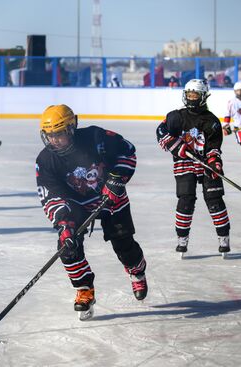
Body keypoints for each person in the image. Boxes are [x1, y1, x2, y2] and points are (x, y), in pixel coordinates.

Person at [35, 104, 148, 319]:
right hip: (77, 207)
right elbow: (52, 195)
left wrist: (117, 178)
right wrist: (64, 223)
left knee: (125, 246)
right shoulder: (45, 160)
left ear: (70, 128)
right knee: (67, 246)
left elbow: (127, 151)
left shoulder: (96, 137)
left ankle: (137, 271)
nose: (54, 140)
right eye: (49, 135)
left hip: (111, 199)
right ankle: (84, 289)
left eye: (58, 134)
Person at [156, 79, 230, 256]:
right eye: (188, 94)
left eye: (194, 95)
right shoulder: (176, 116)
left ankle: (224, 238)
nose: (190, 98)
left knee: (214, 199)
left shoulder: (211, 121)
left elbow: (213, 147)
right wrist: (175, 145)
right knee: (185, 200)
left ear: (203, 96)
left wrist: (214, 162)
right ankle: (182, 239)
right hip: (184, 163)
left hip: (204, 163)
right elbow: (160, 131)